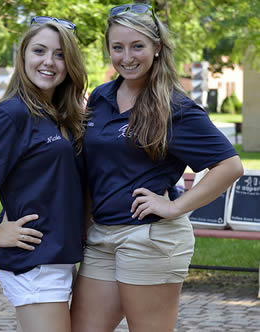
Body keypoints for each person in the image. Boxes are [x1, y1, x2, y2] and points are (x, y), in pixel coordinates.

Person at [70, 4, 243, 332]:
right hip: (100, 236)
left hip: (148, 237)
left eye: (137, 46)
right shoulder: (102, 97)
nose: (127, 57)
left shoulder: (174, 107)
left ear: (157, 47)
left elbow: (229, 165)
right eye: (117, 48)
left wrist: (175, 205)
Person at [0, 16, 87, 332]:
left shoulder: (56, 114)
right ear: (23, 55)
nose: (49, 62)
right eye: (39, 51)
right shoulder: (12, 113)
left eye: (60, 54)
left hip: (58, 256)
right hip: (33, 262)